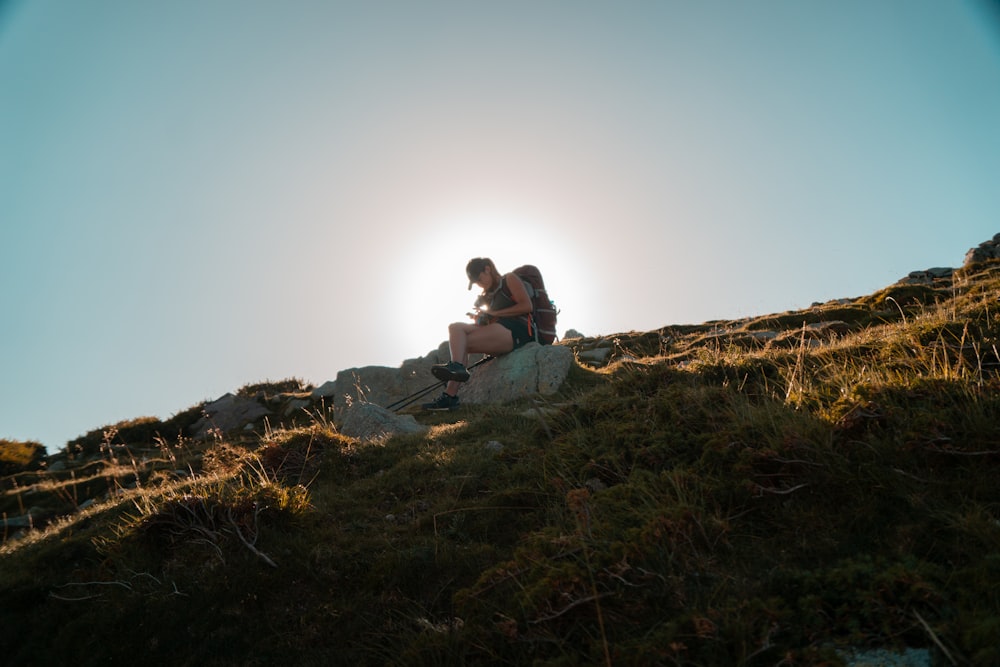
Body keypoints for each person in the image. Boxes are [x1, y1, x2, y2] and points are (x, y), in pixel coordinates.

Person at [422, 257, 534, 411]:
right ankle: (452, 389)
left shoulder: (509, 279)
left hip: (518, 331)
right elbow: (493, 322)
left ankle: (455, 376)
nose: (479, 284)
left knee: (462, 342)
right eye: (476, 282)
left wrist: (495, 312)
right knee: (456, 329)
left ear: (487, 269)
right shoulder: (487, 295)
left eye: (479, 279)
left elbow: (527, 306)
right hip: (500, 331)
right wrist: (482, 319)